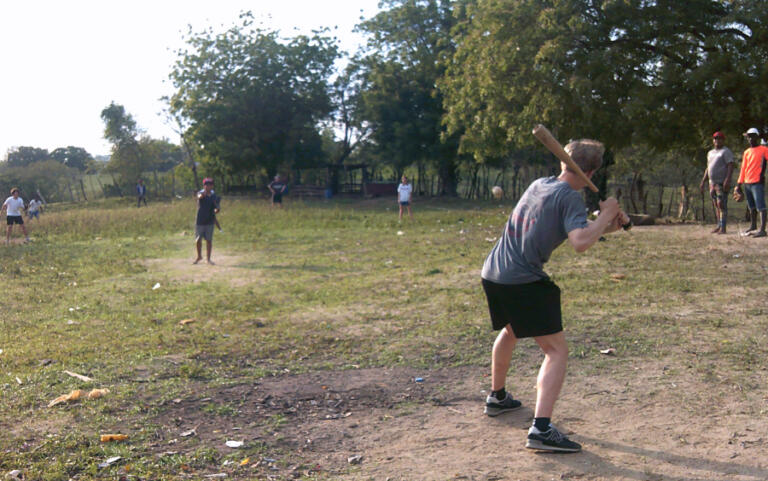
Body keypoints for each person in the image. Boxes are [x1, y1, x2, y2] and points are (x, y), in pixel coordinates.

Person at [481, 139, 628, 453]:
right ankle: (541, 429)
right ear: (591, 171)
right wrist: (607, 213)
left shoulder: (541, 185)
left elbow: (579, 230)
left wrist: (610, 224)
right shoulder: (570, 198)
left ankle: (498, 397)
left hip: (494, 270)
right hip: (522, 278)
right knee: (556, 351)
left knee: (512, 329)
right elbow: (580, 243)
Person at [733, 128, 768, 237]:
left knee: (760, 206)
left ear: (757, 137)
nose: (750, 138)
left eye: (752, 136)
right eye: (748, 136)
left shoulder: (763, 150)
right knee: (751, 206)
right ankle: (753, 226)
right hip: (747, 182)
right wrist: (738, 184)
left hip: (757, 182)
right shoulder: (747, 152)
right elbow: (743, 168)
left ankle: (762, 229)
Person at [699, 131, 734, 234]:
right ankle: (718, 225)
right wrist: (703, 181)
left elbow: (730, 165)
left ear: (723, 140)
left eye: (719, 138)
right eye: (715, 138)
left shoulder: (726, 151)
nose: (717, 140)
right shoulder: (710, 153)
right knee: (716, 204)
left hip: (721, 182)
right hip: (712, 182)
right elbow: (708, 167)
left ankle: (723, 227)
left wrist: (727, 179)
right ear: (713, 140)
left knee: (721, 203)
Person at [194, 178, 221, 264]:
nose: (208, 186)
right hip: (200, 220)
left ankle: (208, 259)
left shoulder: (215, 196)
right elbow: (199, 197)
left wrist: (216, 210)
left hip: (210, 220)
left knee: (209, 240)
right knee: (198, 239)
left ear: (212, 186)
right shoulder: (200, 193)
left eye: (209, 185)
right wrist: (203, 194)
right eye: (206, 185)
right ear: (204, 186)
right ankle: (199, 256)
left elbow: (217, 208)